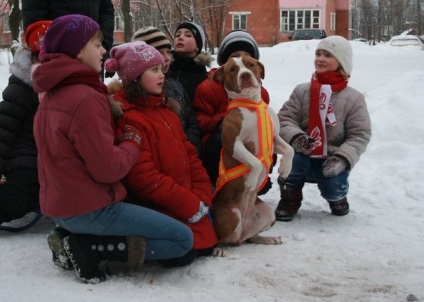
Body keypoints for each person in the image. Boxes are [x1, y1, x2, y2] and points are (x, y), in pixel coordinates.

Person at [32, 14, 193, 284]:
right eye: (97, 45)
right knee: (182, 240)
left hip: (59, 208)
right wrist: (131, 140)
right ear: (77, 49)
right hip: (91, 209)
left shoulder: (51, 92)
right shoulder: (85, 98)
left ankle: (68, 238)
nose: (104, 50)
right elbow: (108, 169)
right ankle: (90, 250)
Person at [105, 41, 218, 267]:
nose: (162, 75)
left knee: (203, 247)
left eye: (161, 69)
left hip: (181, 201)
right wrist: (189, 204)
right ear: (135, 77)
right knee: (182, 252)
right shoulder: (129, 117)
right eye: (154, 70)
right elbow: (144, 178)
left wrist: (202, 196)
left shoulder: (166, 110)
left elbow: (191, 158)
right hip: (156, 205)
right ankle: (105, 249)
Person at [275, 35, 372, 222]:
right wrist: (296, 139)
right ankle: (289, 198)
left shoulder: (354, 98)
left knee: (333, 187)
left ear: (342, 62)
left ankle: (337, 196)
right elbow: (284, 119)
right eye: (318, 53)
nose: (320, 58)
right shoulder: (302, 91)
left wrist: (342, 158)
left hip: (332, 158)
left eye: (327, 55)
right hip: (303, 153)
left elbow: (360, 134)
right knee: (292, 160)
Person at [192, 30, 275, 194]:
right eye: (234, 56)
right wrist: (223, 122)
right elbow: (199, 119)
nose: (241, 64)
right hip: (219, 144)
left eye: (247, 58)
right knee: (220, 141)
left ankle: (257, 181)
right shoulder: (209, 87)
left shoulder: (261, 93)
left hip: (249, 140)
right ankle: (220, 182)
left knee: (267, 138)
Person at [0, 21, 51, 225]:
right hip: (26, 154)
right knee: (18, 198)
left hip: (54, 155)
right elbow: (4, 127)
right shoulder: (23, 86)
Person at [131, 26, 201, 153]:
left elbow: (191, 122)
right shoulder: (133, 95)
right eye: (159, 52)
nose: (167, 57)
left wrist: (192, 151)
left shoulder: (175, 86)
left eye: (168, 51)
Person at [22, 0, 115, 79]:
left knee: (94, 97)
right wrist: (47, 54)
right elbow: (35, 22)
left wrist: (102, 45)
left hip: (92, 56)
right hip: (57, 62)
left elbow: (106, 11)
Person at [167, 21, 214, 103]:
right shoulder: (164, 68)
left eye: (188, 35)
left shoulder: (203, 78)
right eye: (177, 35)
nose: (180, 38)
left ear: (197, 46)